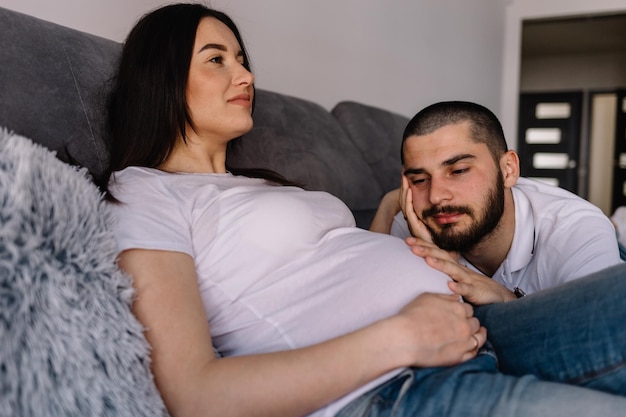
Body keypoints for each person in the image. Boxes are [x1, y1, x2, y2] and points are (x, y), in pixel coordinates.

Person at [102, 3, 626, 417]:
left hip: (481, 331)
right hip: (396, 387)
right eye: (217, 59)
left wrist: (384, 220)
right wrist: (401, 336)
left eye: (242, 60)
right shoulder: (146, 192)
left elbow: (335, 266)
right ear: (162, 77)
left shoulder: (261, 186)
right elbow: (197, 397)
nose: (245, 76)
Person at [370, 101, 622, 305]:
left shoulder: (577, 230)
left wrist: (506, 299)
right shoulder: (419, 218)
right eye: (420, 179)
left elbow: (590, 343)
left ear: (508, 170)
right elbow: (366, 296)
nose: (436, 197)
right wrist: (387, 206)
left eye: (458, 171)